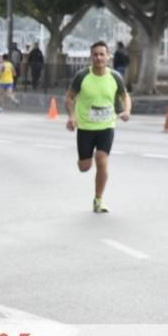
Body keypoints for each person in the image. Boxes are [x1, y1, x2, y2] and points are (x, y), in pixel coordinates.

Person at [65, 41, 131, 213]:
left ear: (108, 56)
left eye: (102, 54)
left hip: (106, 126)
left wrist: (126, 111)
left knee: (102, 161)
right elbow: (69, 98)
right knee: (84, 167)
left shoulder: (115, 77)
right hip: (85, 127)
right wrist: (71, 117)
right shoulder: (82, 76)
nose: (99, 58)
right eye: (95, 54)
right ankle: (85, 158)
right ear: (91, 57)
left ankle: (98, 199)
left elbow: (125, 97)